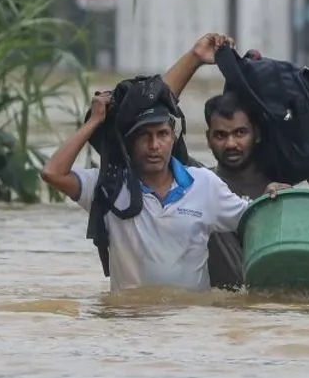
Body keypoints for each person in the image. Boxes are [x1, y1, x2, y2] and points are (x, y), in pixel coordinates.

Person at [41, 91, 290, 292]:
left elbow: (257, 220)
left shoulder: (204, 183)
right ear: (129, 142)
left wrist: (274, 193)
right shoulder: (109, 186)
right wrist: (95, 121)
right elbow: (53, 173)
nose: (154, 146)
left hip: (188, 326)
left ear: (173, 137)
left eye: (162, 134)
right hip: (128, 326)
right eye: (144, 136)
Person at [161, 33, 309, 289]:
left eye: (240, 133)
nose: (231, 144)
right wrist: (195, 58)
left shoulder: (281, 193)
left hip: (267, 315)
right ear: (209, 138)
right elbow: (152, 112)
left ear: (256, 134)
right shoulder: (197, 182)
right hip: (210, 317)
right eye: (221, 135)